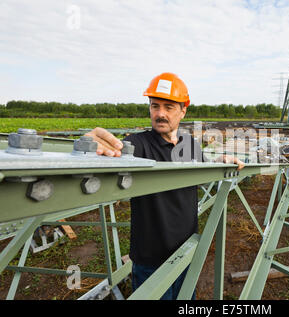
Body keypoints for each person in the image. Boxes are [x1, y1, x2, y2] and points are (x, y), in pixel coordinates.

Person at [85, 72, 244, 299]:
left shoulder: (190, 144)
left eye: (169, 107)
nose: (160, 114)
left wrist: (219, 163)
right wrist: (89, 148)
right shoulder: (137, 144)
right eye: (154, 106)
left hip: (186, 251)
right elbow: (114, 156)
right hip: (150, 260)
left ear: (183, 110)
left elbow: (202, 171)